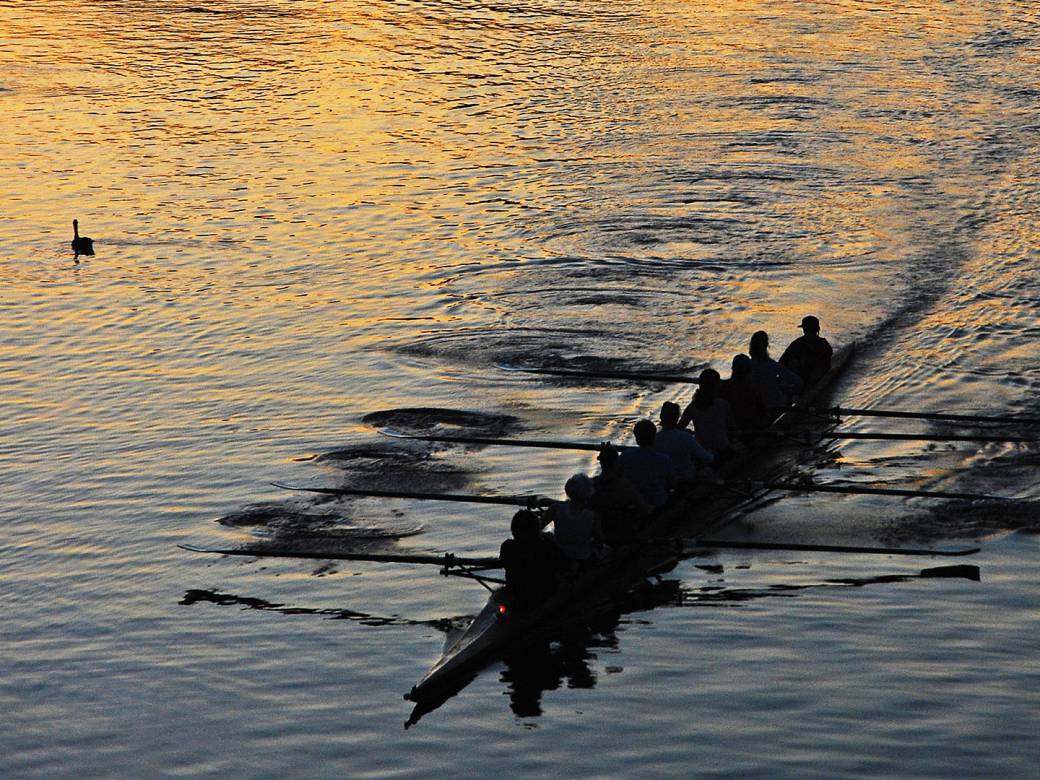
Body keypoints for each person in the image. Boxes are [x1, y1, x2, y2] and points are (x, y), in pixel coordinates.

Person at [499, 509, 563, 609]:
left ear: (514, 530)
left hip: (516, 594)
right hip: (543, 596)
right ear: (537, 529)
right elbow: (560, 565)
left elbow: (504, 563)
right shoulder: (546, 546)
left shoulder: (507, 547)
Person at [591, 444, 652, 537]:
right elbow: (642, 507)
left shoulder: (591, 484)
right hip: (620, 531)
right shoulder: (623, 485)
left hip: (601, 530)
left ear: (601, 463)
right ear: (616, 463)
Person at [543, 473, 604, 564]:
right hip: (583, 558)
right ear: (588, 493)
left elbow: (537, 528)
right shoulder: (593, 516)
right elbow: (599, 542)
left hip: (560, 556)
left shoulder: (555, 508)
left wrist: (548, 537)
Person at [617, 419, 676, 510]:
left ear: (636, 439)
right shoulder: (664, 459)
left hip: (633, 505)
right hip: (659, 503)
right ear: (654, 437)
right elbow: (671, 483)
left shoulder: (625, 456)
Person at [678, 369, 736, 459]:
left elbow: (679, 428)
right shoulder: (723, 404)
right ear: (716, 386)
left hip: (702, 451)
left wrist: (687, 434)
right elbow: (732, 428)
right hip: (723, 450)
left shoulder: (692, 407)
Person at [655, 401, 714, 481]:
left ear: (661, 416)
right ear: (677, 418)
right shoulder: (685, 436)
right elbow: (707, 458)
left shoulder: (654, 439)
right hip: (688, 477)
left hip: (667, 479)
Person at [748, 330, 803, 412]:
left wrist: (779, 386)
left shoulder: (748, 366)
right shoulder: (771, 364)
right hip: (776, 404)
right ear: (766, 345)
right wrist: (789, 388)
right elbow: (798, 381)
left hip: (757, 407)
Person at [719, 353, 770, 431]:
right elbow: (763, 412)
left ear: (733, 369)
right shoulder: (754, 389)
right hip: (750, 429)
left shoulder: (723, 387)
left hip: (729, 430)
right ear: (749, 370)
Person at [779, 315, 833, 387]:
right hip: (805, 378)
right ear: (817, 329)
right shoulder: (824, 344)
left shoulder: (797, 343)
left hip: (807, 378)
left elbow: (782, 361)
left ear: (804, 330)